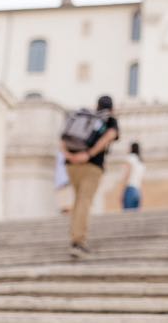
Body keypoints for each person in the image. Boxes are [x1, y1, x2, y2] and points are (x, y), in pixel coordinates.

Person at [61, 94, 119, 258]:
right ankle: (78, 242)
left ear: (97, 105)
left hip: (71, 165)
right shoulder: (110, 119)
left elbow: (62, 139)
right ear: (112, 108)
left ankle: (74, 236)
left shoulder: (80, 116)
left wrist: (69, 155)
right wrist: (88, 154)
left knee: (79, 200)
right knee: (84, 202)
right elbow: (110, 135)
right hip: (92, 165)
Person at [121, 141, 144, 211]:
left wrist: (122, 190)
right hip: (138, 191)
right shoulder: (140, 162)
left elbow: (127, 174)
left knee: (127, 214)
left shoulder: (130, 158)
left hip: (130, 189)